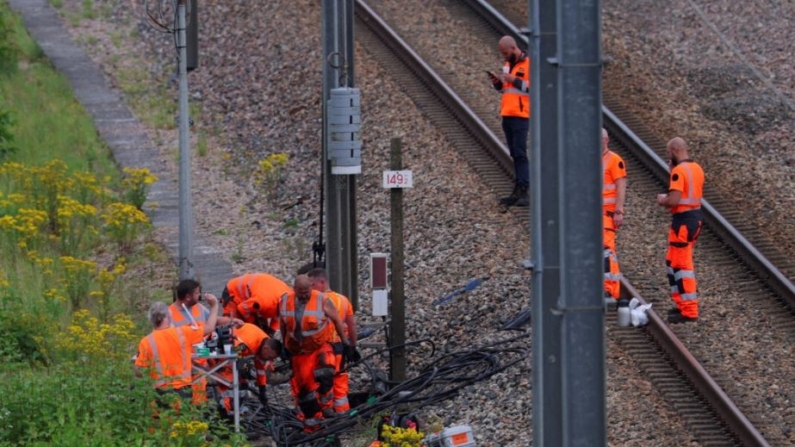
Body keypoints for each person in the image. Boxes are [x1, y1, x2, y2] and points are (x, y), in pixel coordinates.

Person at [280, 275, 349, 431]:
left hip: (319, 347)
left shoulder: (321, 300)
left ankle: (327, 408)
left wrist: (346, 344)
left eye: (306, 291)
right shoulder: (285, 301)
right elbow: (283, 324)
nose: (304, 295)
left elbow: (337, 320)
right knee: (305, 390)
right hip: (299, 352)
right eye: (300, 292)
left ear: (312, 287)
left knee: (326, 374)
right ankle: (313, 421)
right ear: (294, 289)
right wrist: (285, 345)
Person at [134, 295, 219, 407]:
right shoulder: (183, 333)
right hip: (183, 390)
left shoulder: (146, 341)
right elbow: (209, 328)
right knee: (184, 422)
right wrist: (214, 306)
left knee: (165, 423)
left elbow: (139, 372)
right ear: (169, 317)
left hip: (160, 393)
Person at [169, 278, 242, 404]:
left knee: (200, 395)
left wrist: (230, 321)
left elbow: (214, 320)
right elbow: (209, 327)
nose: (200, 295)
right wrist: (214, 306)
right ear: (188, 297)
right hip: (183, 362)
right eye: (197, 293)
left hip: (201, 356)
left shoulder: (199, 308)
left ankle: (225, 404)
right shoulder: (169, 314)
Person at [656, 137, 704, 323]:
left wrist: (662, 200)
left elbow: (674, 200)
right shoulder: (696, 168)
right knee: (673, 261)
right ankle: (682, 305)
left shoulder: (679, 171)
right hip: (694, 218)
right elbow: (688, 191)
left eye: (669, 152)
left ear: (675, 150)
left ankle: (689, 310)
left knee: (682, 265)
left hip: (683, 221)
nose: (668, 156)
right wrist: (672, 171)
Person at [307, 267, 359, 414]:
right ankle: (343, 414)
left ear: (322, 282)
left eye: (313, 285)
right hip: (340, 348)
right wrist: (352, 346)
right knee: (340, 381)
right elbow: (351, 325)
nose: (311, 288)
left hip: (323, 350)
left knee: (323, 383)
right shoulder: (343, 300)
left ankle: (326, 415)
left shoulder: (317, 301)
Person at [490, 35, 531, 207]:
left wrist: (512, 80)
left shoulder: (530, 64)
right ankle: (518, 189)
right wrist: (498, 83)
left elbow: (532, 88)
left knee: (520, 153)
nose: (505, 57)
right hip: (507, 113)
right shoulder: (508, 65)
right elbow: (506, 90)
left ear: (514, 48)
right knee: (514, 153)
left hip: (521, 115)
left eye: (506, 53)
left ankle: (524, 190)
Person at [214, 323, 282, 417]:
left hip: (235, 352)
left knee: (243, 385)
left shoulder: (265, 344)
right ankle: (224, 411)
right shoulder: (249, 342)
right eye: (269, 357)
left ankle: (234, 411)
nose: (268, 360)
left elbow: (261, 370)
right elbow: (232, 352)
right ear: (266, 349)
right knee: (230, 385)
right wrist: (243, 366)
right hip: (223, 352)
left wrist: (262, 390)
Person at [220, 273, 292, 336]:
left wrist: (271, 332)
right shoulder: (263, 302)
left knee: (262, 330)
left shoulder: (290, 298)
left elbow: (279, 315)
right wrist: (254, 324)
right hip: (233, 293)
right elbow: (242, 308)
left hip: (255, 297)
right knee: (232, 328)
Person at [601, 128, 627, 300]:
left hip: (607, 214)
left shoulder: (615, 160)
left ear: (607, 140)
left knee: (607, 251)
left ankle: (610, 290)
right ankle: (602, 287)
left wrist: (619, 211)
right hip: (593, 215)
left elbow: (621, 187)